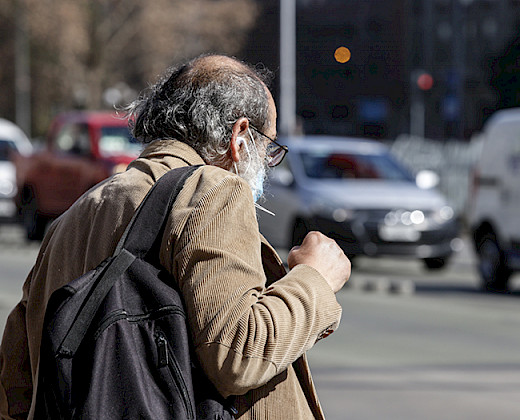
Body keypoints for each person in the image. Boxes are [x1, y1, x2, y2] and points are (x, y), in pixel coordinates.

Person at [0, 54, 351, 419]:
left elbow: (15, 382)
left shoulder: (70, 220)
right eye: (270, 147)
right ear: (240, 137)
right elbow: (238, 353)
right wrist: (315, 279)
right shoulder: (212, 189)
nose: (267, 163)